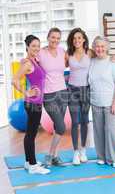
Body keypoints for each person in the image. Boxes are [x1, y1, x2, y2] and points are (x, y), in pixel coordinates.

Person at [12, 35, 50, 174]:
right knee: (31, 134)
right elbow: (14, 80)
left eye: (38, 46)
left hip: (36, 103)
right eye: (33, 46)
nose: (36, 48)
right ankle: (33, 166)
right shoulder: (28, 63)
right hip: (33, 103)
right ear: (27, 47)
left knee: (30, 133)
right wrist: (26, 92)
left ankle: (29, 162)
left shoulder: (34, 60)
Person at [88, 36, 115, 168]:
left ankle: (114, 159)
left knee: (110, 131)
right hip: (95, 102)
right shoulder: (92, 62)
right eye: (97, 46)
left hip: (110, 103)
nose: (99, 49)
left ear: (107, 48)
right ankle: (101, 156)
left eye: (102, 46)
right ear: (94, 47)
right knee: (98, 131)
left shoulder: (113, 62)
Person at [38, 28, 68, 167]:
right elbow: (30, 61)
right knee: (61, 127)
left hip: (63, 92)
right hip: (49, 95)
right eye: (53, 37)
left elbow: (76, 58)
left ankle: (55, 156)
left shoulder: (62, 51)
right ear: (48, 37)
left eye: (57, 38)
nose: (55, 40)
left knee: (58, 127)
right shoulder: (41, 53)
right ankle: (49, 155)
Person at [66, 28, 91, 165]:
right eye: (74, 38)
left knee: (85, 121)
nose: (77, 40)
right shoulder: (68, 54)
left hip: (86, 90)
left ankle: (83, 150)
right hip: (72, 90)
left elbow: (103, 56)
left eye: (79, 38)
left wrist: (113, 58)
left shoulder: (90, 53)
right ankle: (75, 151)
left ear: (84, 39)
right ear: (72, 40)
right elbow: (56, 64)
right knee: (75, 122)